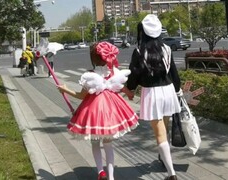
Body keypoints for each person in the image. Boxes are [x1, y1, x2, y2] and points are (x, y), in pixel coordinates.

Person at [57, 41, 139, 180]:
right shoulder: (114, 72)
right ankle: (111, 177)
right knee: (108, 144)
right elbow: (120, 87)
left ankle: (100, 172)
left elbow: (81, 96)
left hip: (93, 109)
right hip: (111, 108)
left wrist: (64, 89)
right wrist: (130, 94)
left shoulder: (89, 75)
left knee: (95, 141)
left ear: (93, 58)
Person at [126, 14, 181, 180]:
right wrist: (177, 91)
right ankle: (163, 157)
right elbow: (174, 75)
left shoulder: (139, 51)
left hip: (152, 94)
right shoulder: (167, 49)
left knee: (160, 134)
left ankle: (171, 174)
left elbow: (133, 76)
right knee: (164, 129)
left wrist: (129, 89)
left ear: (143, 32)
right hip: (168, 91)